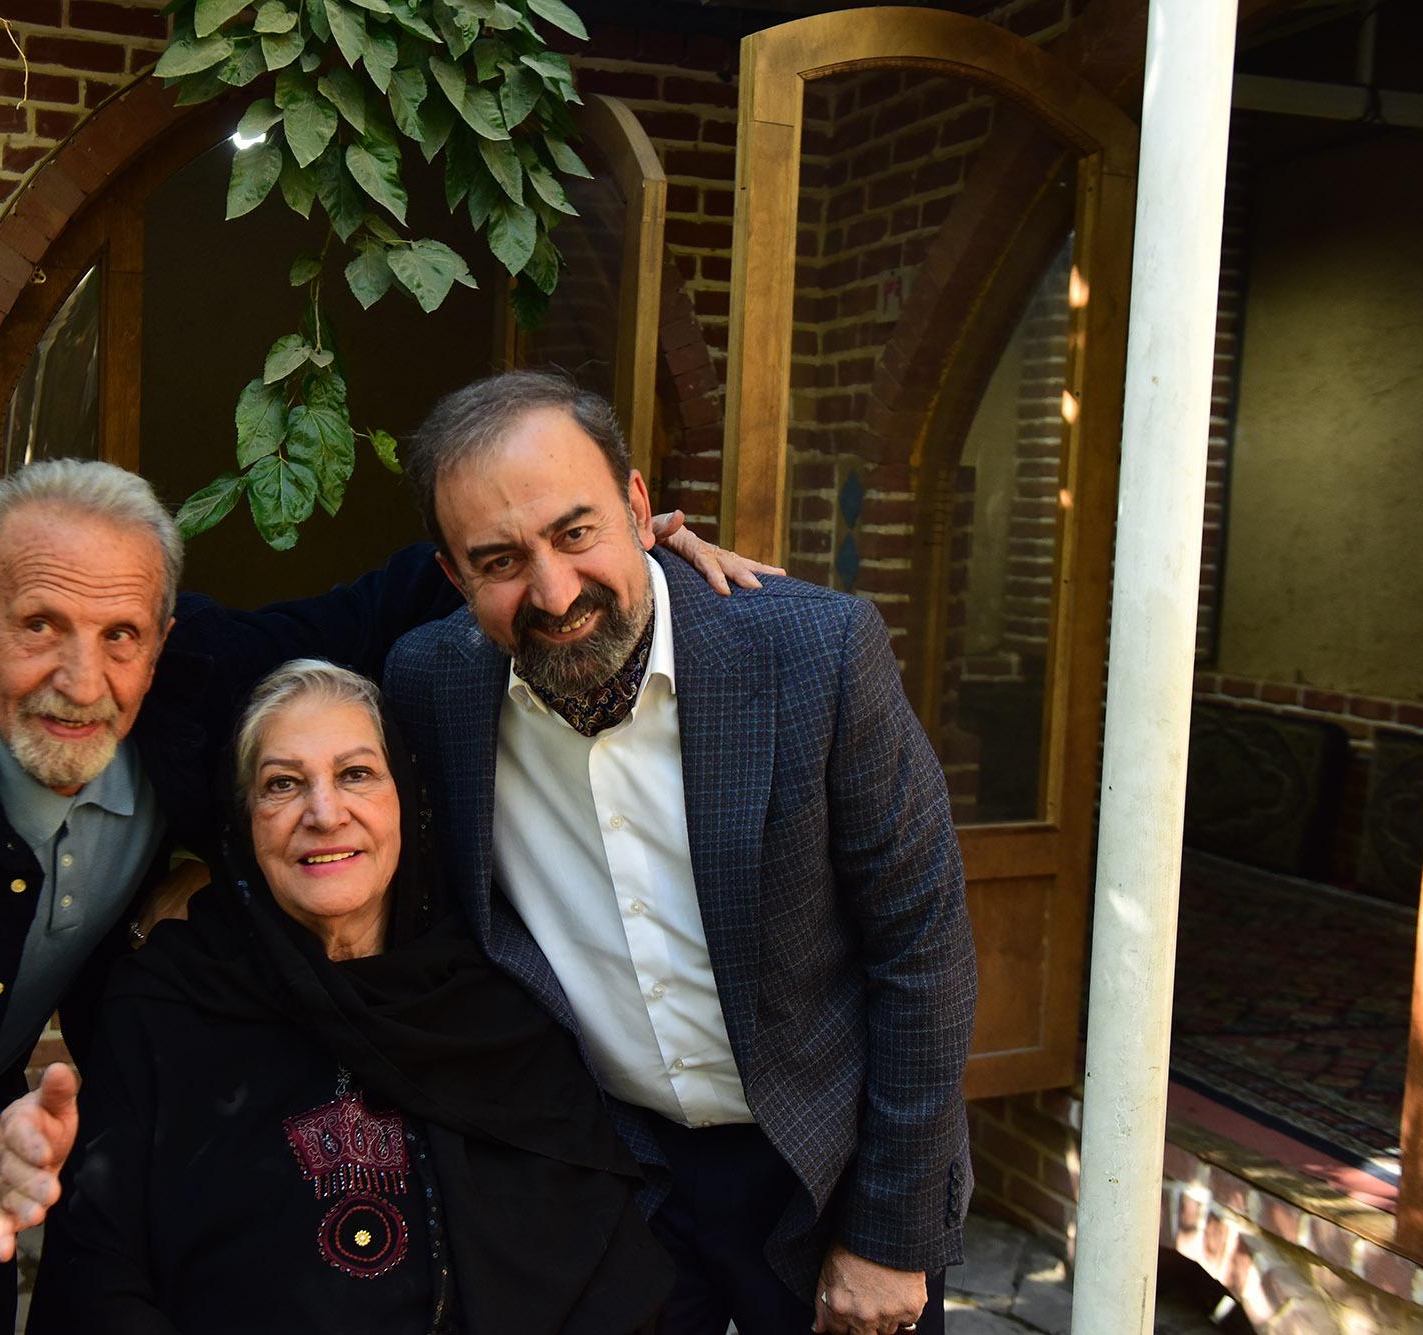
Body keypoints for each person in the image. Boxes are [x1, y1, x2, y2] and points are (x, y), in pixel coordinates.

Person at [0, 455, 756, 1333]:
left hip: (12, 1141)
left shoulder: (201, 682)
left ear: (164, 642)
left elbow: (411, 588)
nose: (82, 681)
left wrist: (626, 553)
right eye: (40, 625)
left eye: (120, 636)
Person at [384, 372, 978, 1335]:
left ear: (639, 507)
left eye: (577, 532)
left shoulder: (816, 654)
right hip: (615, 1176)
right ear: (454, 576)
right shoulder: (430, 685)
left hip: (828, 1166)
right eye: (500, 560)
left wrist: (892, 1233)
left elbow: (925, 949)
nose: (554, 592)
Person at [27, 660, 672, 1334]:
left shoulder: (494, 997)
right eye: (282, 784)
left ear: (407, 800)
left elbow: (608, 1265)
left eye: (356, 774)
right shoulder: (167, 1004)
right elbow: (96, 1269)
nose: (325, 813)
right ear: (243, 822)